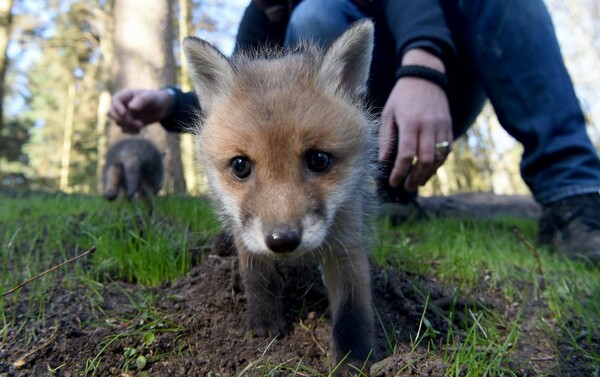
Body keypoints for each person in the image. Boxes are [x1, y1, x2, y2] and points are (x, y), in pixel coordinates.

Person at [108, 0, 600, 264]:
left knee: (318, 12)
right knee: (313, 14)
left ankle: (574, 193)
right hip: (353, 135)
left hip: (444, 78)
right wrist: (169, 102)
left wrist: (423, 65)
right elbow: (239, 108)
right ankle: (380, 190)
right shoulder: (261, 19)